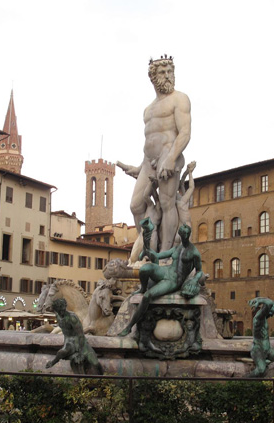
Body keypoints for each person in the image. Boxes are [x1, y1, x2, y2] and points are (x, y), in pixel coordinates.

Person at [124, 55, 191, 254]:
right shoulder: (148, 110)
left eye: (170, 71)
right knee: (136, 205)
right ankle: (146, 246)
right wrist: (139, 167)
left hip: (169, 155)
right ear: (153, 77)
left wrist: (171, 158)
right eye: (162, 72)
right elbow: (150, 141)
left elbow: (185, 132)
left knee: (166, 203)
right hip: (148, 163)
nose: (168, 76)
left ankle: (163, 255)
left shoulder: (180, 99)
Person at [120, 223, 204, 337]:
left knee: (147, 296)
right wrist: (147, 247)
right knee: (145, 269)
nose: (184, 236)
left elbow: (199, 271)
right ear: (179, 234)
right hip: (166, 271)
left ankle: (129, 326)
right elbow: (158, 256)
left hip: (174, 280)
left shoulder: (194, 252)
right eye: (183, 234)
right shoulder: (176, 248)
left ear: (188, 235)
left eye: (186, 234)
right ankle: (142, 289)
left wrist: (194, 280)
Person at [45, 298, 103, 375]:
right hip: (68, 342)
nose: (62, 312)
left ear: (65, 307)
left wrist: (80, 352)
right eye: (60, 310)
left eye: (63, 309)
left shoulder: (72, 317)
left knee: (95, 362)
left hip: (78, 341)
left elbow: (80, 334)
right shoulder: (57, 316)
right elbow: (48, 307)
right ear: (56, 310)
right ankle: (52, 362)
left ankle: (102, 378)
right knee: (61, 352)